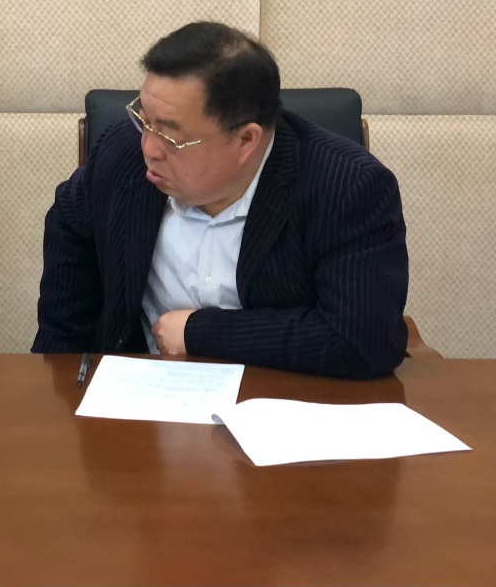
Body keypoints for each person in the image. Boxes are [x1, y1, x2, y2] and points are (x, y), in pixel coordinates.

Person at [33, 22, 409, 379]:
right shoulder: (122, 155)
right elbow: (69, 224)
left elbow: (362, 340)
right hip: (141, 398)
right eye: (144, 121)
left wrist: (199, 332)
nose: (149, 148)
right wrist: (62, 371)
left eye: (171, 136)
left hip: (281, 399)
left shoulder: (347, 187)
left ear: (246, 140)